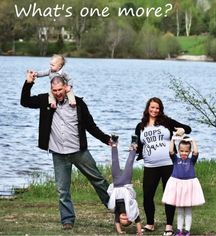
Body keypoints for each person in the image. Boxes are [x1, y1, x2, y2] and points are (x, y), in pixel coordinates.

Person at [20, 71, 111, 230]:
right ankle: (67, 220)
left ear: (66, 88)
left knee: (98, 180)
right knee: (63, 190)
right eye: (54, 91)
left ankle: (118, 208)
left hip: (79, 152)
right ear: (51, 90)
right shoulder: (45, 101)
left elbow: (90, 125)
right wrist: (28, 83)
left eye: (60, 90)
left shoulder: (78, 104)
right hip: (58, 154)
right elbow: (25, 101)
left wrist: (106, 139)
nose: (58, 93)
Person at [135, 97, 192, 236]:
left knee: (169, 196)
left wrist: (181, 131)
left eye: (157, 108)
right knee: (148, 195)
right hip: (150, 166)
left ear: (160, 110)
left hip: (168, 164)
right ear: (148, 108)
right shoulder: (140, 126)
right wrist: (135, 148)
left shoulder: (166, 122)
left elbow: (188, 129)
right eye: (152, 107)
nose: (154, 110)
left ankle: (169, 226)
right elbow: (139, 146)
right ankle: (150, 223)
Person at [162, 136, 205, 236]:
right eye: (181, 151)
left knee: (188, 210)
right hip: (179, 187)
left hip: (189, 187)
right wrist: (172, 140)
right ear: (179, 151)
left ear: (189, 152)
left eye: (186, 151)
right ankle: (179, 230)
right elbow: (171, 151)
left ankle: (187, 230)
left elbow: (196, 152)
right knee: (180, 210)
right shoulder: (176, 159)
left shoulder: (191, 161)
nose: (184, 153)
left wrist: (193, 140)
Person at [107, 135, 142, 235]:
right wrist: (139, 231)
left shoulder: (117, 212)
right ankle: (134, 144)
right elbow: (138, 221)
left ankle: (114, 143)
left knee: (114, 163)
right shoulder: (132, 212)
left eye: (121, 218)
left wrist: (120, 231)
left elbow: (117, 223)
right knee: (129, 163)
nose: (123, 216)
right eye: (125, 218)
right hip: (126, 183)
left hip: (117, 184)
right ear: (130, 218)